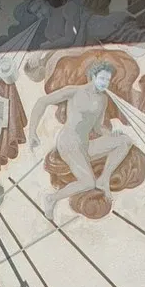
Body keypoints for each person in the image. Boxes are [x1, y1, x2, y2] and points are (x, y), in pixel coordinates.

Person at [29, 59, 132, 218]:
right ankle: (51, 198)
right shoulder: (74, 91)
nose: (105, 83)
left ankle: (104, 179)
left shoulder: (102, 100)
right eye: (103, 78)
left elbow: (97, 128)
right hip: (68, 142)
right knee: (88, 182)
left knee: (125, 141)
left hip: (85, 145)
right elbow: (43, 101)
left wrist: (112, 135)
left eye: (108, 80)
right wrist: (32, 132)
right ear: (93, 76)